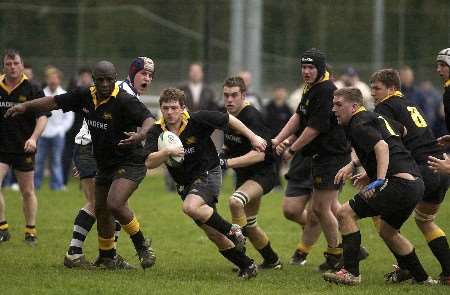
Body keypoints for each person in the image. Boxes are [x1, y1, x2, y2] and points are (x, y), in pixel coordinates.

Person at [6, 60, 156, 270]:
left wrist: (140, 135)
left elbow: (150, 118)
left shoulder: (124, 100)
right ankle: (107, 257)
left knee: (113, 203)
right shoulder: (85, 95)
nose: (105, 84)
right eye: (100, 80)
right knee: (101, 208)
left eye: (109, 80)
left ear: (116, 79)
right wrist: (24, 106)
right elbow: (53, 102)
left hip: (129, 161)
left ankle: (142, 246)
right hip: (102, 160)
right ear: (93, 80)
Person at [145, 88, 267, 279]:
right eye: (165, 108)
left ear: (183, 108)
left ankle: (233, 230)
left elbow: (228, 119)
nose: (169, 112)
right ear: (160, 108)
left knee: (190, 207)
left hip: (208, 173)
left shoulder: (197, 119)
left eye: (174, 108)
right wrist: (167, 152)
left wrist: (253, 137)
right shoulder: (156, 131)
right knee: (212, 233)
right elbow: (149, 162)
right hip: (185, 185)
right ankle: (247, 265)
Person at [323, 87, 436, 285]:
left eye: (339, 104)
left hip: (397, 184)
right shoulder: (373, 117)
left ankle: (350, 273)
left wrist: (379, 179)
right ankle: (423, 279)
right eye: (333, 104)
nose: (334, 109)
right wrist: (366, 169)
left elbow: (382, 146)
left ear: (354, 106)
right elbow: (402, 131)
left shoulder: (358, 124)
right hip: (415, 183)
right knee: (388, 231)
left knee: (344, 213)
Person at [63, 57, 155, 268]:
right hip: (91, 148)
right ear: (131, 74)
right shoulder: (120, 92)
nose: (147, 78)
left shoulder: (129, 95)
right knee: (99, 203)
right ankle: (74, 253)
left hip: (102, 151)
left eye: (151, 75)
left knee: (115, 204)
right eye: (143, 73)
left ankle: (109, 256)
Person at [272, 48, 351, 271]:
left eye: (311, 67)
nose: (306, 71)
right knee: (324, 208)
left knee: (322, 209)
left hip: (332, 156)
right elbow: (298, 116)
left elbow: (315, 128)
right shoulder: (312, 87)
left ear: (321, 69)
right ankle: (344, 250)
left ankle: (339, 254)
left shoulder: (326, 90)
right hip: (321, 156)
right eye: (304, 67)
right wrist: (277, 139)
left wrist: (292, 149)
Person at [370, 69, 450, 284]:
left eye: (377, 88)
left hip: (422, 169)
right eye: (371, 88)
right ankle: (448, 273)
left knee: (380, 218)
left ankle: (407, 268)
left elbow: (387, 141)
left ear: (392, 88)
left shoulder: (384, 107)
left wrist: (362, 165)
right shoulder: (410, 104)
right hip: (440, 168)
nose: (372, 93)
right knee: (425, 220)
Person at [221, 76, 281, 270]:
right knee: (250, 224)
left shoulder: (250, 116)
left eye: (234, 95)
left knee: (235, 201)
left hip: (263, 173)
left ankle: (242, 261)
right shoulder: (228, 115)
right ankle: (272, 260)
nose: (229, 99)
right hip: (245, 175)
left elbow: (261, 154)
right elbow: (231, 143)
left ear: (243, 96)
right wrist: (222, 153)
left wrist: (227, 162)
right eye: (226, 95)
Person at [0, 49, 48, 245]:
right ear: (4, 65)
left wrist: (34, 138)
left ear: (22, 65)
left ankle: (30, 231)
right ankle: (2, 228)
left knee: (27, 191)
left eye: (16, 63)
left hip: (24, 148)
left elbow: (43, 117)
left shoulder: (33, 88)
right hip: (1, 147)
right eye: (8, 64)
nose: (12, 67)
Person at [34, 66, 74, 190]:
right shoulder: (41, 94)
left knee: (56, 161)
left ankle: (57, 185)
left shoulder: (64, 95)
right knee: (39, 161)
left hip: (57, 134)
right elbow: (36, 114)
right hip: (43, 133)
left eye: (55, 78)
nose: (52, 81)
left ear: (59, 80)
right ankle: (35, 185)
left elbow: (69, 116)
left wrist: (61, 130)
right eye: (50, 78)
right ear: (46, 80)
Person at [264, 87, 292, 188]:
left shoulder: (287, 109)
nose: (280, 94)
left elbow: (291, 126)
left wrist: (288, 141)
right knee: (270, 162)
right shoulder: (268, 107)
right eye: (278, 92)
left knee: (279, 162)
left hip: (282, 141)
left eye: (282, 92)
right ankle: (272, 183)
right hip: (270, 140)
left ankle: (277, 183)